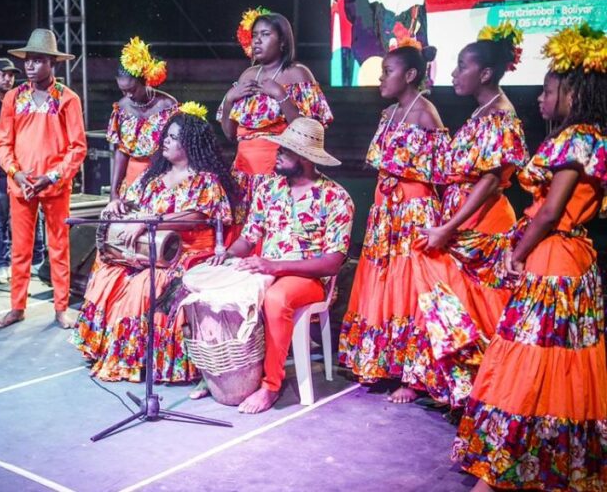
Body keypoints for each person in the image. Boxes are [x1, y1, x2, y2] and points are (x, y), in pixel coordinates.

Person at [453, 24, 607, 491]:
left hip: (552, 262)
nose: (541, 99)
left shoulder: (579, 138)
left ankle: (506, 469)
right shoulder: (590, 137)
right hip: (569, 261)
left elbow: (551, 212)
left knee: (530, 364)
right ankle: (540, 465)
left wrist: (516, 255)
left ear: (574, 94)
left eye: (548, 91)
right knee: (557, 366)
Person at [407, 23, 529, 407]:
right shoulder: (483, 112)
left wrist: (448, 226)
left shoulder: (500, 117)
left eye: (462, 66)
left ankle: (491, 387)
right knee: (459, 299)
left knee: (479, 302)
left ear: (486, 73)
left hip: (482, 222)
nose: (455, 74)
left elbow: (491, 180)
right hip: (463, 215)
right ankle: (468, 387)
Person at [73, 102, 238, 382]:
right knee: (108, 271)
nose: (166, 142)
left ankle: (141, 359)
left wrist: (150, 223)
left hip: (187, 251)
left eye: (173, 138)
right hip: (150, 247)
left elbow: (196, 216)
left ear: (190, 144)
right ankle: (110, 349)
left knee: (143, 283)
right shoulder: (153, 177)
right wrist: (119, 207)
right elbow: (131, 202)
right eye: (167, 136)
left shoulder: (204, 181)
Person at [207, 117, 353, 413]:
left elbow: (333, 262)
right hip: (267, 269)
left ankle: (270, 386)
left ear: (305, 157)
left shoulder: (336, 198)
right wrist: (226, 255)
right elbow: (248, 238)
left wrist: (275, 267)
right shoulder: (270, 189)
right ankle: (222, 375)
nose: (277, 155)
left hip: (307, 278)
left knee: (276, 298)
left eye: (285, 152)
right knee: (215, 289)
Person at [338, 41, 449, 402]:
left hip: (413, 211)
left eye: (388, 72)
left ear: (411, 75)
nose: (381, 78)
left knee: (408, 287)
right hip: (385, 210)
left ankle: (412, 377)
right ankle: (380, 362)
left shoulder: (426, 114)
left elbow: (444, 172)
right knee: (381, 280)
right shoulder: (388, 113)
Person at [0, 28, 87, 330]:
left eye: (37, 61)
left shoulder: (67, 98)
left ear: (52, 64)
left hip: (54, 186)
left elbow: (78, 147)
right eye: (28, 60)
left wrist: (51, 176)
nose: (30, 66)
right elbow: (3, 144)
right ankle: (17, 307)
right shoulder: (13, 98)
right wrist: (17, 173)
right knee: (20, 249)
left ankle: (61, 308)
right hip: (21, 185)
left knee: (58, 247)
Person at [217, 9, 333, 243]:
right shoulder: (248, 74)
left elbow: (310, 131)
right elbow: (229, 133)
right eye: (255, 35)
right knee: (243, 238)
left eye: (265, 34)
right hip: (242, 176)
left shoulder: (297, 74)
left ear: (282, 41)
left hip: (277, 173)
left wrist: (281, 96)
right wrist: (230, 99)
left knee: (272, 234)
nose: (257, 40)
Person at [0, 57, 45, 285]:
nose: (8, 78)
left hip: (22, 170)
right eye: (3, 74)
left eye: (11, 74)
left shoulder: (20, 100)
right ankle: (2, 265)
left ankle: (37, 261)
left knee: (33, 215)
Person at [107, 36, 178, 197]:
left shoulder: (168, 105)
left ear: (145, 81)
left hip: (162, 179)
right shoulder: (121, 108)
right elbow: (121, 152)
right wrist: (114, 191)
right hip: (131, 182)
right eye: (123, 90)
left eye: (132, 89)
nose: (128, 95)